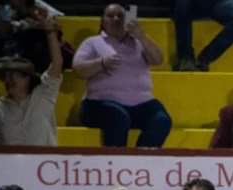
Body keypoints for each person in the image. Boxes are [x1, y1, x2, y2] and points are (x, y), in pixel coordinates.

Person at [72, 3, 172, 148]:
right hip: (100, 104)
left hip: (141, 103)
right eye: (110, 16)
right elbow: (78, 69)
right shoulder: (92, 42)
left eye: (120, 16)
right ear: (103, 21)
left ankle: (140, 162)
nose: (116, 19)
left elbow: (158, 60)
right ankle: (116, 163)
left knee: (162, 120)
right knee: (118, 117)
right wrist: (102, 63)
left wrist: (142, 36)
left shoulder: (139, 42)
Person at [0, 13, 62, 145]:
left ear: (27, 78)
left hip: (44, 164)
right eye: (6, 77)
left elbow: (57, 63)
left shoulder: (43, 94)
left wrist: (50, 33)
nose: (8, 81)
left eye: (13, 75)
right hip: (10, 165)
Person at [171, 0, 233, 71]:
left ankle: (204, 59)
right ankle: (185, 58)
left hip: (219, 3)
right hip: (189, 4)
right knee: (183, 3)